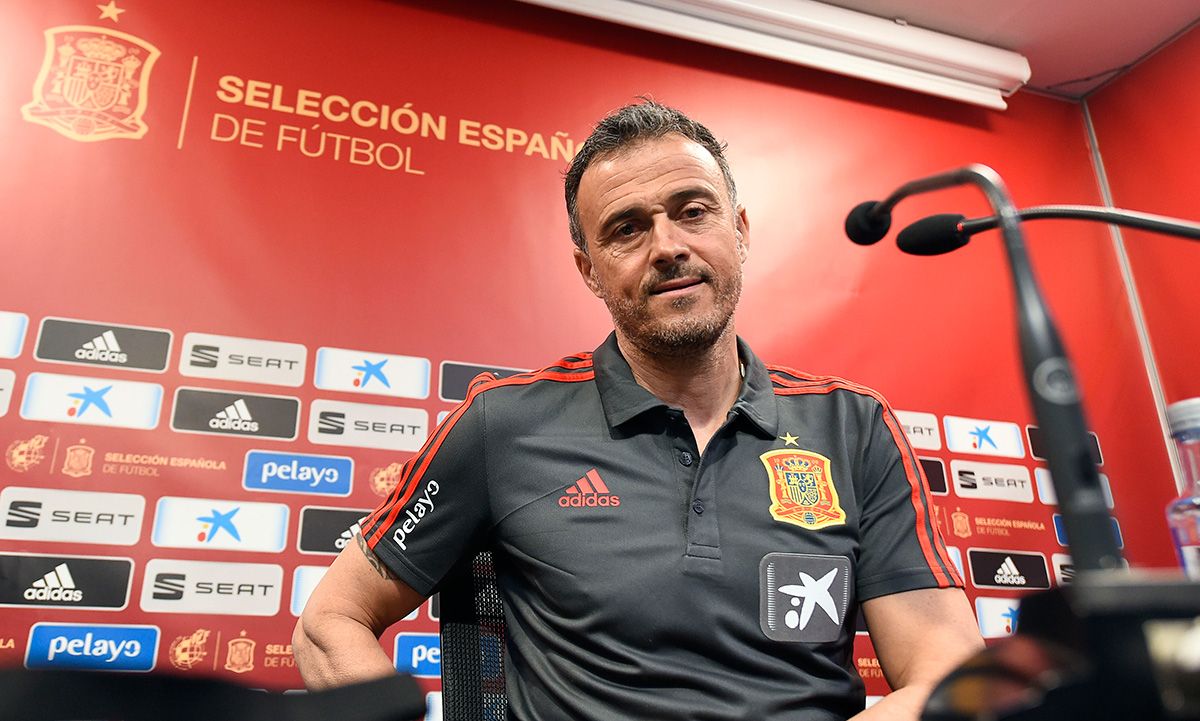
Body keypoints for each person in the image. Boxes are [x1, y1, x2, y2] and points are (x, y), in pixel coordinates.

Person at [293, 100, 984, 720]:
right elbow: (330, 619)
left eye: (693, 210)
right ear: (589, 268)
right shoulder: (502, 423)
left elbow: (945, 669)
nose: (669, 246)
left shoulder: (853, 426)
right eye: (627, 228)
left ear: (739, 229)